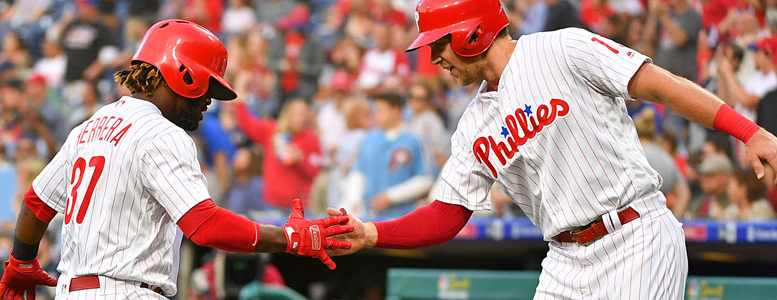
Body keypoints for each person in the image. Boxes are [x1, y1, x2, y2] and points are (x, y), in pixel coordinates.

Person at [327, 0, 777, 299]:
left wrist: (748, 131)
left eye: (438, 44)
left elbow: (662, 86)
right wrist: (372, 234)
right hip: (563, 259)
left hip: (634, 237)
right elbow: (447, 214)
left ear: (471, 33)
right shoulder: (473, 125)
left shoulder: (562, 47)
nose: (433, 60)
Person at [0, 20, 353, 300]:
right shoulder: (164, 134)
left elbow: (37, 203)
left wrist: (21, 261)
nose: (207, 103)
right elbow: (206, 226)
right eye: (205, 89)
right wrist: (289, 237)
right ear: (182, 74)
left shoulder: (90, 126)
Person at [343, 93, 433, 218]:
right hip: (372, 216)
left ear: (396, 111)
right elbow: (359, 172)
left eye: (381, 110)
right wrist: (353, 200)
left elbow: (425, 179)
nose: (376, 115)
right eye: (375, 111)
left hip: (404, 215)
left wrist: (391, 196)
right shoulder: (369, 139)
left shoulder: (413, 140)